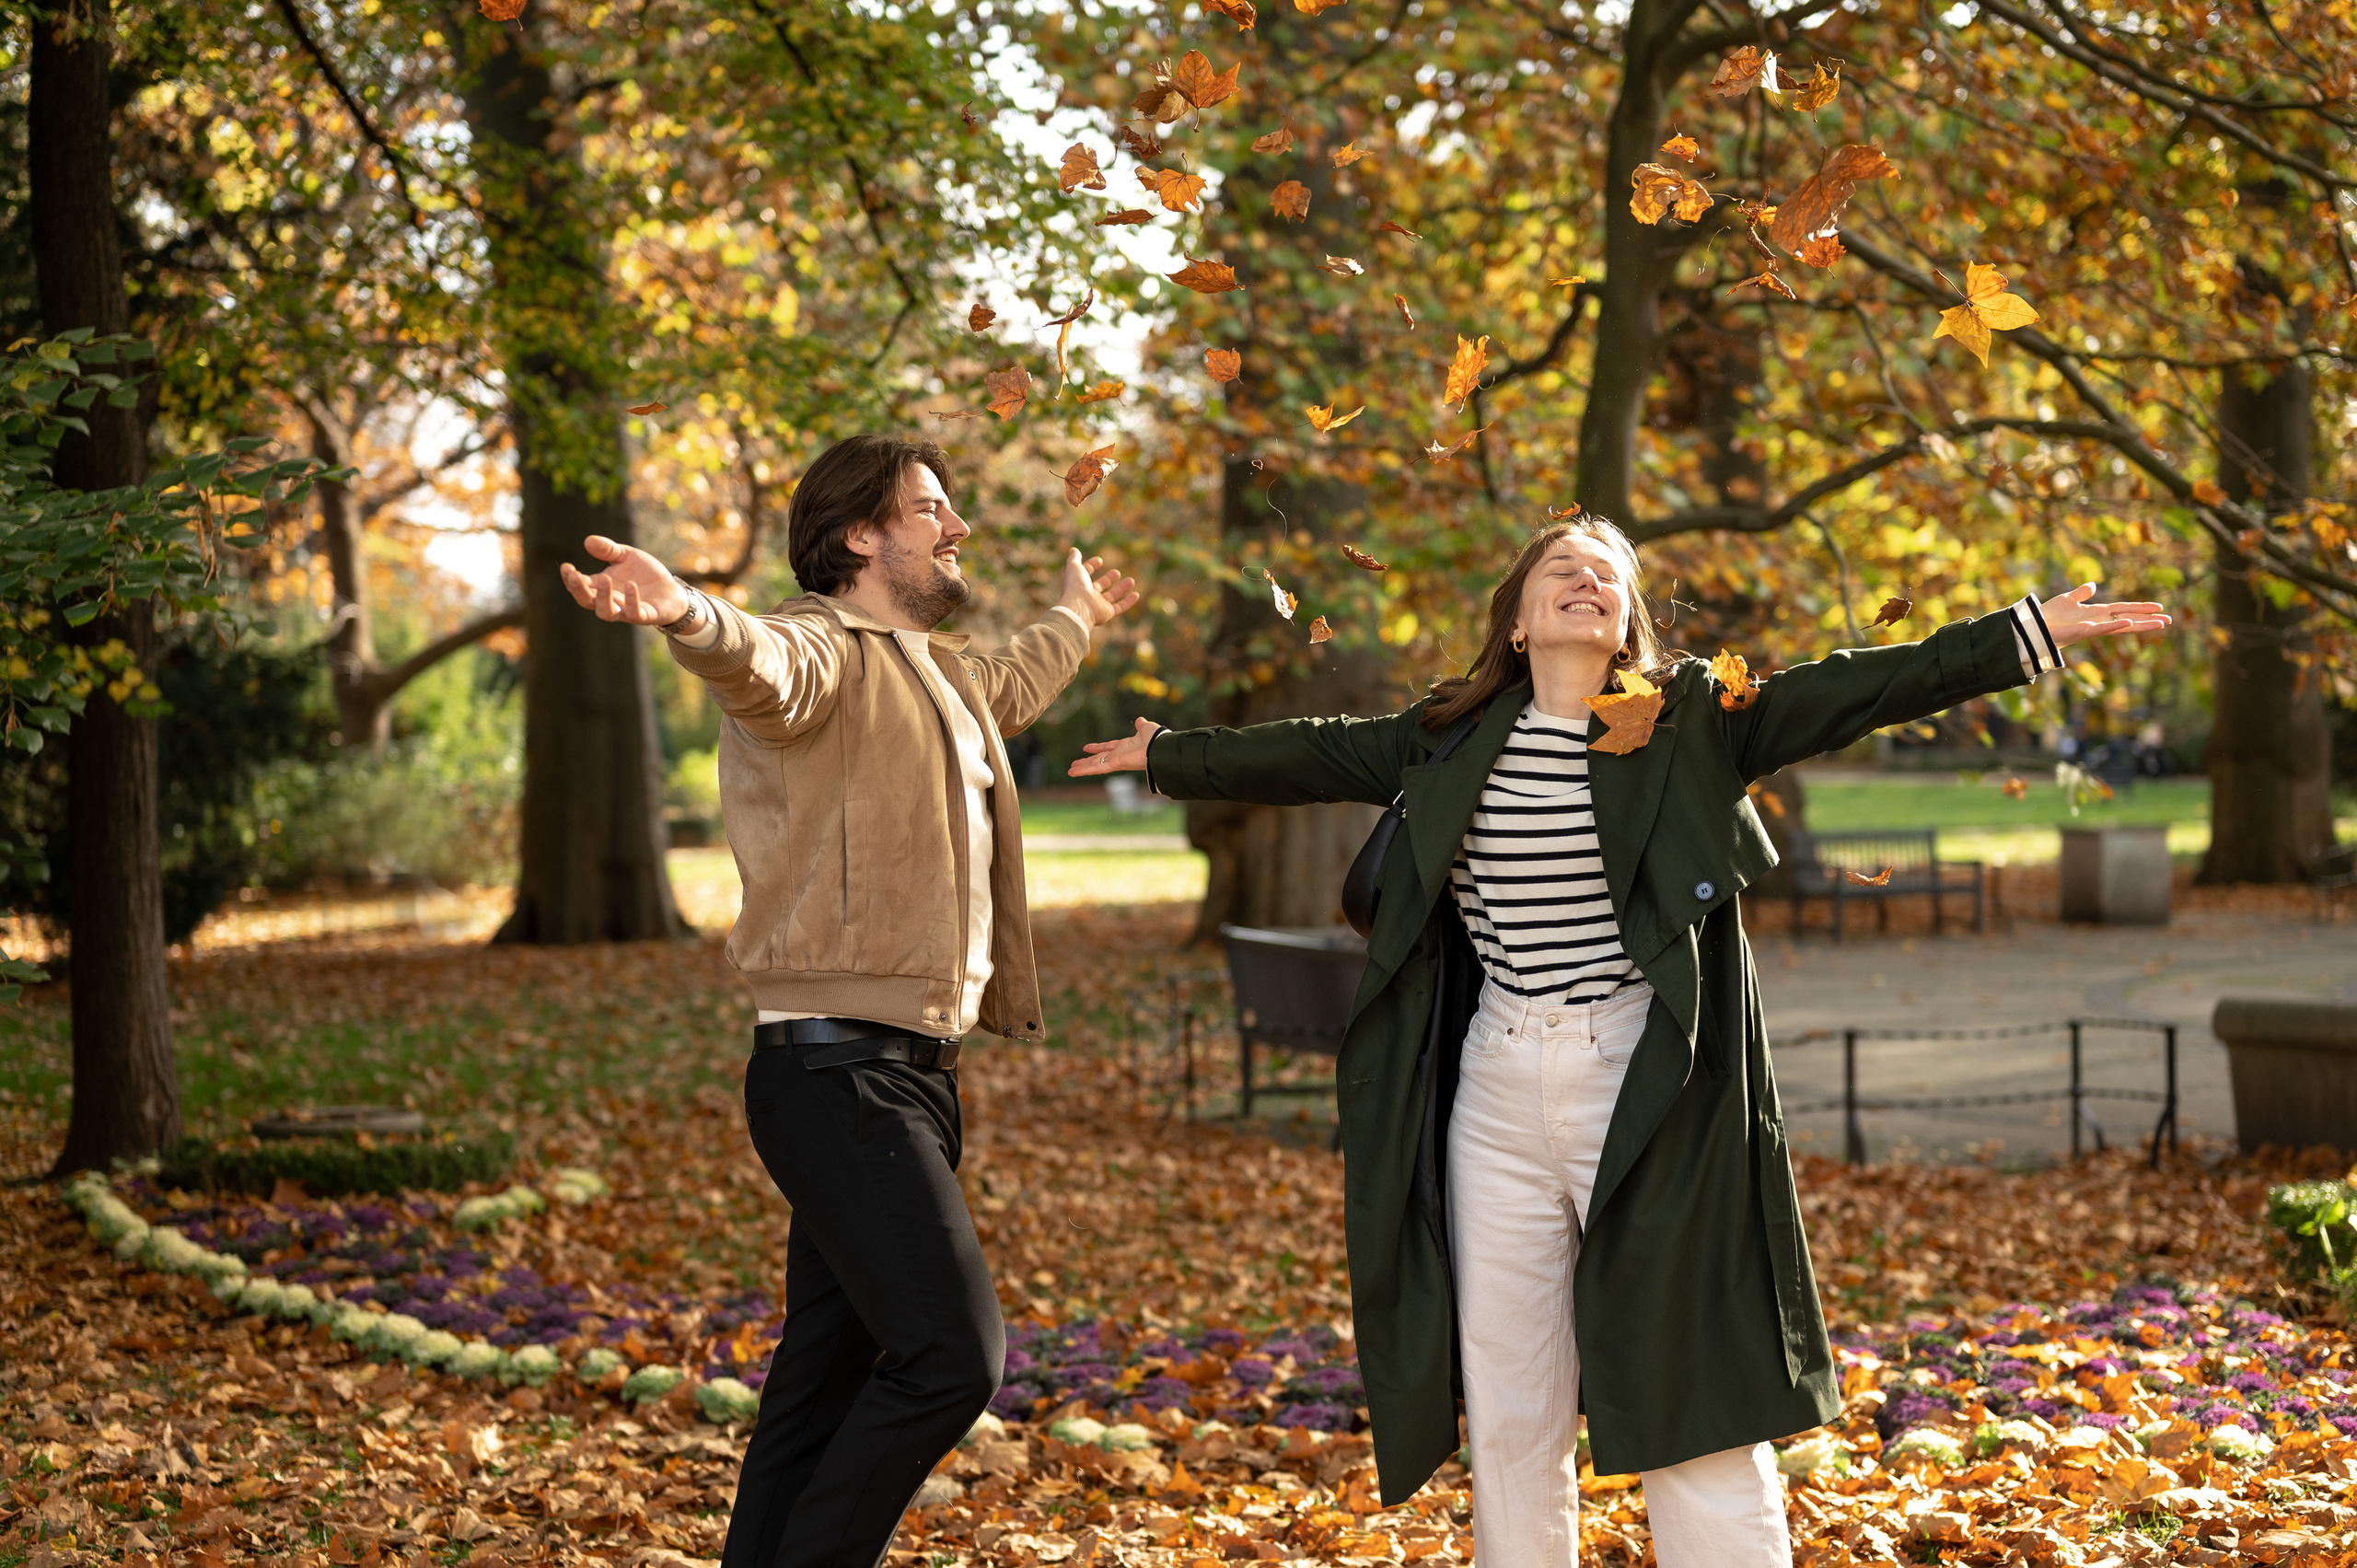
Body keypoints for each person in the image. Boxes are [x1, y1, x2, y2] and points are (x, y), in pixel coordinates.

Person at [1071, 517, 2166, 1567]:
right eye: (1564, 564)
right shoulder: (1451, 734)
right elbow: (1309, 752)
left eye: (1609, 573)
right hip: (1495, 1087)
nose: (1587, 578)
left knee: (1687, 1380)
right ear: (1518, 619)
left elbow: (1853, 687)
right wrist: (1169, 756)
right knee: (1510, 1400)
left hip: (1638, 1084)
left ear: (1626, 623)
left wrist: (2023, 635)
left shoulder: (1687, 718)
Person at [561, 433, 1139, 1568]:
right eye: (930, 507)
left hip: (911, 1075)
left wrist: (1076, 617)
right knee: (949, 1358)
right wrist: (683, 607)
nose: (954, 523)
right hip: (838, 1074)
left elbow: (1011, 685)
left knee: (823, 1378)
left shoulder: (937, 668)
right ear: (860, 535)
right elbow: (755, 661)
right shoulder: (819, 649)